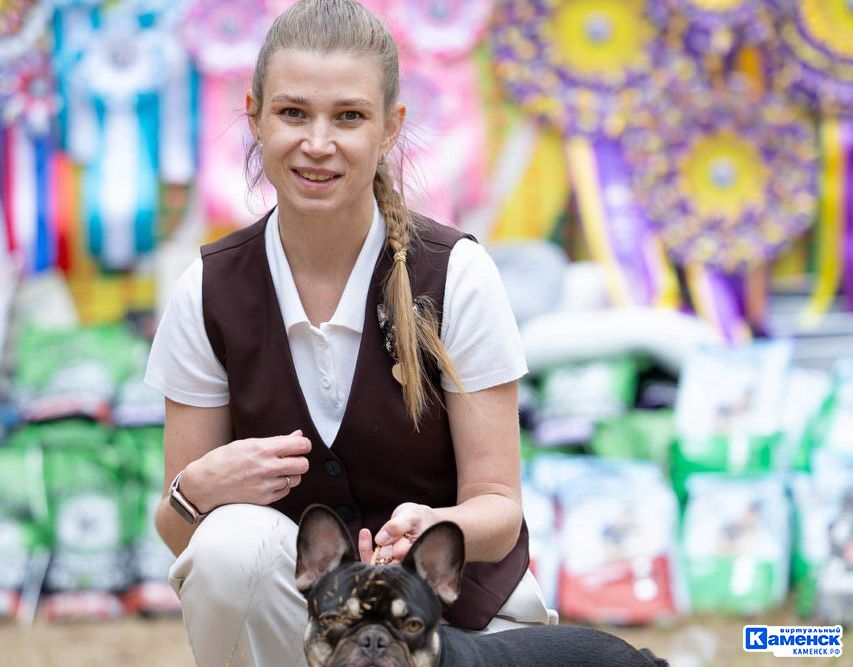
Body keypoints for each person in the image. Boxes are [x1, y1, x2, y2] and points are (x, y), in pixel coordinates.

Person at [144, 1, 555, 665]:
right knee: (227, 545)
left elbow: (499, 505)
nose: (317, 142)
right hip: (302, 623)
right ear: (252, 113)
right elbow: (177, 533)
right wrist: (199, 489)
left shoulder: (455, 274)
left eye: (349, 116)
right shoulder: (208, 288)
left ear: (391, 126)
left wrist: (439, 525)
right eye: (292, 113)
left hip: (460, 619)